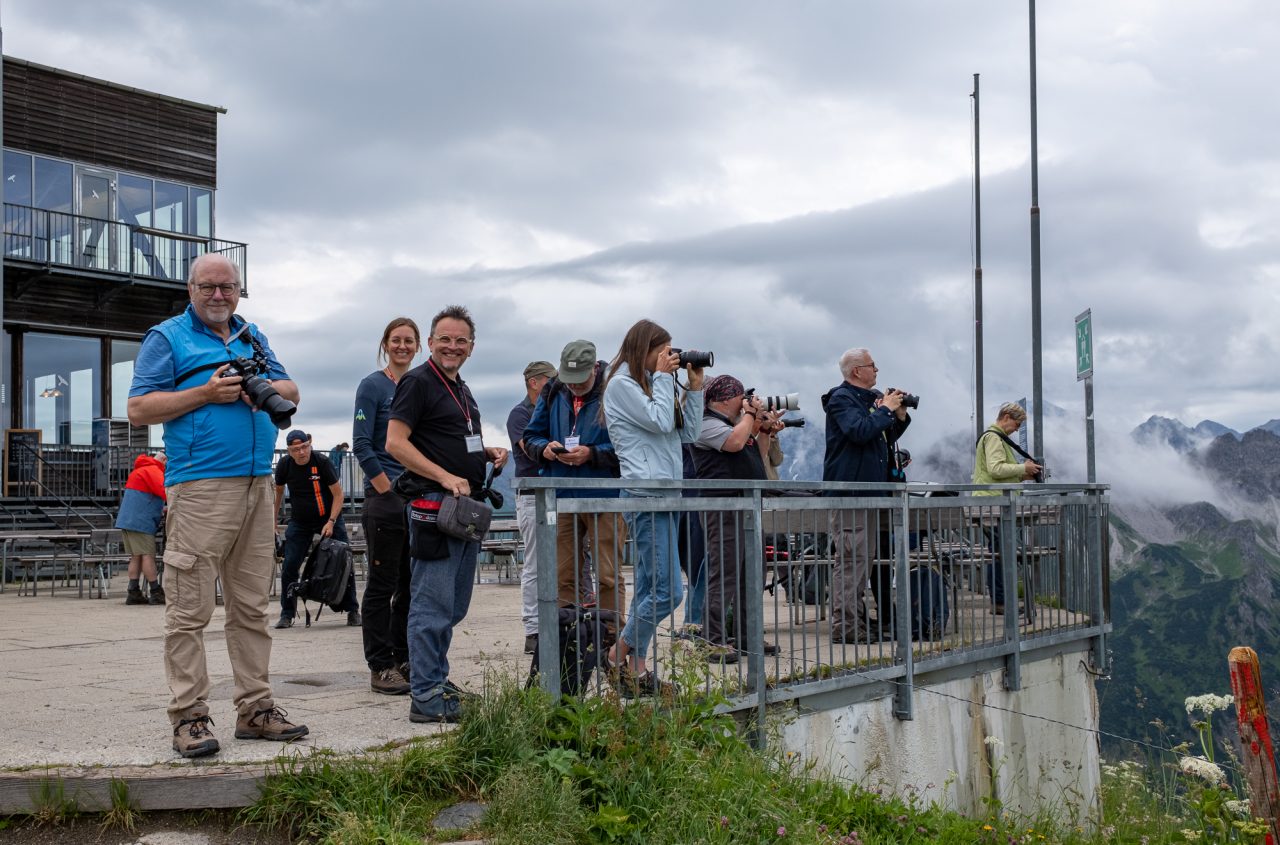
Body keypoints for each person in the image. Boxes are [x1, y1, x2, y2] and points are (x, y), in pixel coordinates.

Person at [128, 253, 308, 759]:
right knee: (189, 610)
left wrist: (261, 388)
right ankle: (189, 717)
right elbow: (139, 407)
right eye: (208, 286)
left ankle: (256, 709)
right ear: (190, 289)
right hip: (200, 488)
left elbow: (291, 389)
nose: (218, 295)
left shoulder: (252, 335)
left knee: (251, 606)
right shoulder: (166, 337)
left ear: (239, 290)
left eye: (228, 287)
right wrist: (206, 393)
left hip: (257, 484)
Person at [386, 304, 509, 723]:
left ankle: (436, 679)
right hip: (433, 506)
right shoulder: (418, 382)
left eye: (460, 341)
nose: (452, 346)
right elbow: (395, 443)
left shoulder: (461, 389)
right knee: (431, 604)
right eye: (445, 339)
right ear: (431, 342)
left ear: (471, 347)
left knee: (453, 605)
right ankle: (426, 695)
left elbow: (451, 438)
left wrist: (485, 452)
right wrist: (443, 475)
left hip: (461, 508)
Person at [601, 319, 704, 696]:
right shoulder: (621, 386)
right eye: (662, 352)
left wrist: (694, 389)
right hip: (645, 495)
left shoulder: (652, 384)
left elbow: (688, 433)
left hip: (666, 494)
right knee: (668, 592)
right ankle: (616, 655)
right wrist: (662, 377)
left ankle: (637, 670)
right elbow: (660, 422)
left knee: (648, 589)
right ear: (642, 350)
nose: (669, 358)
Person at [523, 340, 626, 635]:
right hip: (561, 494)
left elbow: (628, 444)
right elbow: (531, 436)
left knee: (608, 574)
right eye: (569, 381)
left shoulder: (615, 389)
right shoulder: (553, 390)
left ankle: (610, 639)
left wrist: (592, 454)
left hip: (605, 495)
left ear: (594, 369)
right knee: (562, 573)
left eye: (580, 381)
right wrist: (544, 448)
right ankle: (567, 638)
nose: (574, 387)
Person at [821, 348, 911, 645]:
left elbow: (879, 437)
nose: (877, 370)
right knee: (851, 560)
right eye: (872, 365)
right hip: (851, 492)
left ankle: (856, 620)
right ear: (857, 371)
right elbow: (858, 431)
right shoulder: (841, 399)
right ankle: (845, 626)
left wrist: (898, 416)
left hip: (868, 492)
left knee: (862, 561)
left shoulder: (867, 399)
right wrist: (885, 410)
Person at [691, 375, 781, 663]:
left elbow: (757, 456)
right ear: (723, 399)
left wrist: (764, 430)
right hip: (723, 508)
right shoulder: (705, 423)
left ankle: (747, 636)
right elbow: (734, 443)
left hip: (746, 507)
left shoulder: (736, 424)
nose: (744, 401)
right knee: (725, 574)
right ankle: (713, 640)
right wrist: (751, 415)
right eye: (740, 397)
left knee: (753, 573)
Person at [353, 317, 420, 695]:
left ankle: (403, 656)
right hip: (385, 501)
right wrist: (387, 491)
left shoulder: (418, 385)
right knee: (382, 586)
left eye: (409, 341)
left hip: (418, 499)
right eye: (396, 340)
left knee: (410, 585)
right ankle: (380, 665)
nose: (402, 346)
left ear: (418, 346)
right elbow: (362, 444)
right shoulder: (373, 386)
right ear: (385, 344)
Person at [273, 430, 360, 628]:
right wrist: (273, 522)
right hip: (300, 521)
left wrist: (331, 521)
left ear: (309, 444)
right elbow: (277, 494)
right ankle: (287, 614)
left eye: (304, 447)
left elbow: (338, 495)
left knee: (345, 561)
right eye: (296, 449)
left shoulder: (321, 462)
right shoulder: (285, 465)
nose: (302, 452)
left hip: (328, 517)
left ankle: (353, 610)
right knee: (289, 566)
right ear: (289, 450)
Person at [507, 359, 558, 655]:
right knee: (536, 562)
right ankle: (533, 628)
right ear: (534, 382)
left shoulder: (554, 409)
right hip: (531, 494)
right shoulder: (520, 414)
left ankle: (561, 621)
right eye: (550, 380)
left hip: (554, 493)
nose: (555, 385)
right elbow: (530, 449)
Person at [972, 402, 1041, 615]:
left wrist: (1022, 476)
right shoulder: (994, 438)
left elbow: (997, 473)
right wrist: (1023, 467)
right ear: (1006, 417)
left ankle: (1001, 600)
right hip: (992, 506)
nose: (1017, 429)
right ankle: (1001, 601)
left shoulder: (996, 438)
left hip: (992, 505)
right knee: (1000, 554)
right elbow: (995, 469)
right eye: (1017, 424)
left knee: (999, 552)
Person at [116, 452, 167, 606]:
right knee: (147, 555)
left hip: (128, 520)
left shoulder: (141, 469)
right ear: (164, 460)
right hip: (140, 522)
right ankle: (155, 592)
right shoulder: (153, 470)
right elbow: (165, 491)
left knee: (136, 556)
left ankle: (133, 592)